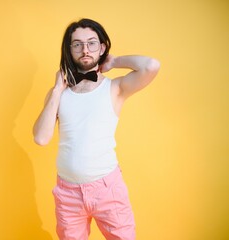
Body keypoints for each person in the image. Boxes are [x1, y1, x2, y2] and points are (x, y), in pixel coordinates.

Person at [33, 18, 160, 240]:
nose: (85, 50)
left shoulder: (115, 88)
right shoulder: (58, 94)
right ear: (69, 49)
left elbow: (151, 66)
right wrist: (56, 90)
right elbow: (41, 138)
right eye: (77, 44)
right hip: (67, 193)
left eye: (92, 43)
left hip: (107, 188)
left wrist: (115, 62)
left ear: (102, 48)